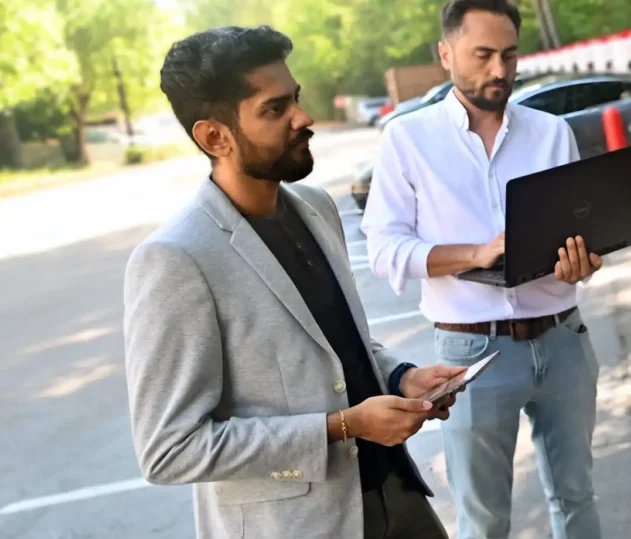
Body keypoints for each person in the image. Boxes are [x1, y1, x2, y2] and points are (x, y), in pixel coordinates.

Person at [124, 26, 467, 539]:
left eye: (297, 100)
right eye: (274, 109)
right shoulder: (176, 259)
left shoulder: (315, 208)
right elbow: (169, 450)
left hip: (399, 495)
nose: (304, 119)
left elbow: (338, 349)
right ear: (214, 136)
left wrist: (400, 378)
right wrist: (342, 426)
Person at [360, 1, 605, 537]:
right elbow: (384, 249)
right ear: (446, 54)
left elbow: (575, 232)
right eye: (484, 55)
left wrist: (580, 262)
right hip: (471, 353)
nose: (499, 70)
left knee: (577, 498)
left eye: (510, 55)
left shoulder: (551, 132)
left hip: (565, 341)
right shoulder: (408, 139)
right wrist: (476, 253)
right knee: (484, 518)